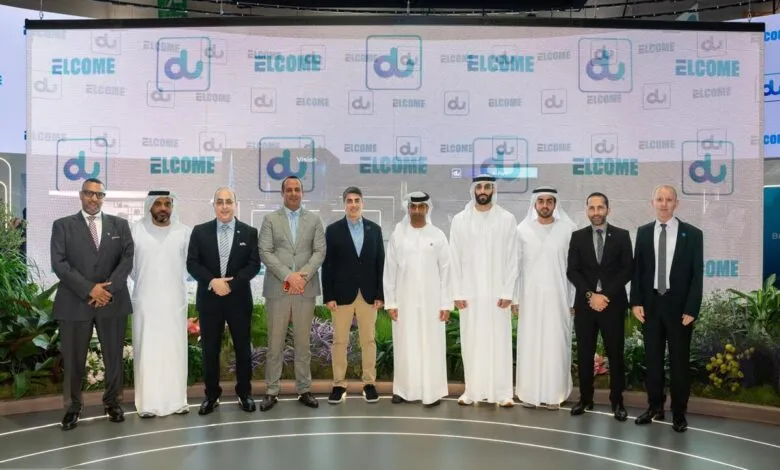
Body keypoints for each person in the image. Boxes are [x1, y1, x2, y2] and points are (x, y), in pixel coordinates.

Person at [50, 178, 134, 430]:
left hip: (112, 300)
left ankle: (112, 402)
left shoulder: (120, 225)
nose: (94, 199)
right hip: (75, 302)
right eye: (89, 193)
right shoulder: (62, 226)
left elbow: (127, 259)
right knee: (74, 359)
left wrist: (107, 289)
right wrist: (90, 289)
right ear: (81, 195)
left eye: (99, 194)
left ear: (103, 197)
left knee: (113, 357)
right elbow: (59, 264)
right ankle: (73, 407)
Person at [630, 184, 703, 433]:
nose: (664, 204)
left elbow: (697, 276)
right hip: (650, 307)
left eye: (668, 199)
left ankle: (679, 413)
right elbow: (637, 270)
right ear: (653, 202)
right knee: (652, 362)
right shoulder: (642, 232)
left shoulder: (692, 234)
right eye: (659, 199)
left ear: (676, 203)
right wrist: (636, 302)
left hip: (680, 309)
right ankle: (655, 408)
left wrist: (692, 309)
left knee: (679, 364)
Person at [186, 187, 261, 415]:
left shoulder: (249, 232)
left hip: (238, 299)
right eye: (220, 201)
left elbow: (253, 264)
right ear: (214, 205)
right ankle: (211, 395)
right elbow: (192, 263)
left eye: (229, 201)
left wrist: (230, 284)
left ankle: (244, 393)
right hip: (210, 300)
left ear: (235, 204)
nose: (225, 206)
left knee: (242, 349)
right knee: (210, 349)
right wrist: (212, 281)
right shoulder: (200, 232)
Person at [449, 174, 519, 407]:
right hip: (470, 294)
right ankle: (472, 391)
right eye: (479, 186)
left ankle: (503, 393)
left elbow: (512, 258)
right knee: (472, 342)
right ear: (473, 190)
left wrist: (508, 292)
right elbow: (454, 257)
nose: (483, 190)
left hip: (498, 295)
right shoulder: (460, 220)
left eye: (487, 186)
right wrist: (457, 292)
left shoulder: (507, 219)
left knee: (499, 342)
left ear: (493, 190)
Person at [258, 175, 326, 411]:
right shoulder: (270, 220)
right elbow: (265, 252)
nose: (294, 193)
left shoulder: (315, 220)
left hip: (305, 290)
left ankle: (304, 389)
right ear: (282, 193)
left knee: (303, 344)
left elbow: (319, 252)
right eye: (289, 190)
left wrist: (302, 276)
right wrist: (289, 276)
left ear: (302, 193)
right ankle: (271, 391)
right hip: (278, 289)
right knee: (274, 343)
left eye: (297, 189)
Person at [566, 192, 633, 421]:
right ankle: (585, 400)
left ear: (608, 209)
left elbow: (627, 270)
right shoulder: (577, 237)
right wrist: (590, 295)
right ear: (587, 210)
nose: (596, 212)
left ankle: (618, 402)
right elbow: (572, 270)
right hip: (585, 307)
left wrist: (604, 295)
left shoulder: (622, 236)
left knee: (616, 355)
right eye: (592, 208)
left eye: (600, 207)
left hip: (612, 305)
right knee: (585, 354)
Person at [384, 192, 451, 407]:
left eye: (421, 207)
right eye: (413, 207)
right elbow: (390, 270)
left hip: (432, 303)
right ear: (408, 209)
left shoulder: (438, 235)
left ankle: (432, 392)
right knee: (405, 345)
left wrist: (445, 304)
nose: (417, 211)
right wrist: (391, 302)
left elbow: (446, 271)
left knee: (431, 345)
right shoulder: (398, 234)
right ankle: (402, 390)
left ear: (427, 209)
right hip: (404, 302)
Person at [513, 187, 577, 410]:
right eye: (540, 201)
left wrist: (573, 300)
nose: (545, 205)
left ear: (555, 204)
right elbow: (516, 268)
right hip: (529, 299)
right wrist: (514, 299)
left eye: (549, 201)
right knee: (530, 345)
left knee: (556, 345)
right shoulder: (521, 230)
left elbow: (574, 269)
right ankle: (529, 394)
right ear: (534, 204)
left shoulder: (568, 230)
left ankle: (554, 395)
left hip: (559, 299)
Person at [130, 190, 192, 417]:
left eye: (167, 203)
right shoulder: (136, 231)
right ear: (149, 206)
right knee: (147, 351)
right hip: (145, 302)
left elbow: (190, 265)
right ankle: (146, 403)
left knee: (174, 351)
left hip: (175, 302)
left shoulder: (184, 232)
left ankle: (177, 401)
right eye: (158, 203)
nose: (163, 208)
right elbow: (130, 268)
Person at [322, 186, 385, 404]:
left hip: (368, 295)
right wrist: (328, 295)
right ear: (344, 204)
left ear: (362, 203)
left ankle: (369, 383)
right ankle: (338, 385)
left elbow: (380, 263)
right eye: (349, 200)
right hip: (341, 296)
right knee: (340, 341)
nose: (354, 204)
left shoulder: (374, 230)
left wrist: (380, 294)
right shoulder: (333, 230)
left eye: (357, 200)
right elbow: (327, 265)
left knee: (368, 341)